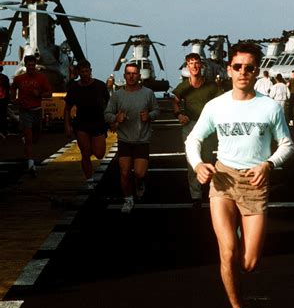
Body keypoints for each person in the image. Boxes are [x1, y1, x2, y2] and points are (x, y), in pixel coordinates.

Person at [185, 41, 294, 308]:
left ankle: (235, 242)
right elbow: (192, 140)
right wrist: (198, 165)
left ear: (257, 71)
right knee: (228, 252)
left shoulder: (269, 107)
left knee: (249, 262)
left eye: (249, 67)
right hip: (223, 180)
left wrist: (268, 165)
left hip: (255, 183)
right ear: (229, 70)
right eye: (237, 67)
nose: (243, 72)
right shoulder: (216, 106)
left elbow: (287, 144)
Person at [105, 62, 159, 213]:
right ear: (124, 76)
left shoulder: (148, 93)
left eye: (134, 73)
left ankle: (140, 182)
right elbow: (107, 114)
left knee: (140, 173)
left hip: (142, 139)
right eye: (128, 73)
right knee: (124, 172)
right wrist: (116, 117)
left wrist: (149, 116)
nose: (131, 76)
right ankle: (128, 199)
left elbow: (156, 110)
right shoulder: (117, 95)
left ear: (139, 76)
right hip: (124, 140)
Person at [172, 53, 220, 207]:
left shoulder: (212, 85)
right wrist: (179, 114)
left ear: (201, 66)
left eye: (196, 63)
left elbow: (220, 103)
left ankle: (211, 191)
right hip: (190, 125)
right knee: (193, 161)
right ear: (187, 67)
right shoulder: (183, 86)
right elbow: (175, 101)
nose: (194, 66)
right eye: (190, 63)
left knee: (207, 159)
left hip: (208, 127)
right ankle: (196, 196)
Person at [64, 59, 110, 190]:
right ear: (79, 72)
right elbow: (67, 108)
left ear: (90, 71)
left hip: (98, 123)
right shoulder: (74, 88)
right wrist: (67, 125)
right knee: (85, 153)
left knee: (99, 153)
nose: (85, 74)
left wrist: (112, 120)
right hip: (82, 124)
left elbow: (109, 104)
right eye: (82, 72)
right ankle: (89, 180)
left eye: (87, 71)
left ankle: (89, 157)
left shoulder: (100, 86)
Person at [10, 55, 52, 176]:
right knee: (29, 138)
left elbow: (49, 93)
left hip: (37, 110)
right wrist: (14, 99)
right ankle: (30, 164)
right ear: (25, 65)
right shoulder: (19, 79)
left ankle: (28, 145)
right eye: (29, 65)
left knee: (36, 137)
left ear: (35, 65)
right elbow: (13, 88)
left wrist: (39, 94)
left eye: (33, 65)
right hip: (25, 111)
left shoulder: (41, 78)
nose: (31, 67)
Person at [0, 66, 10, 139]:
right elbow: (7, 89)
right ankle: (4, 132)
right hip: (3, 101)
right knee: (3, 117)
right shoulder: (5, 78)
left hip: (3, 100)